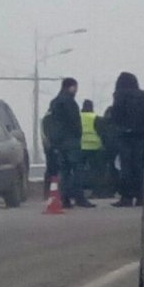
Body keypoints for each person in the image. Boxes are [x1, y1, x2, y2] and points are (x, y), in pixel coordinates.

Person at [44, 77, 92, 208]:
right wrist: (78, 134)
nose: (76, 90)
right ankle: (79, 197)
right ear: (71, 87)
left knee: (64, 171)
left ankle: (64, 199)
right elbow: (74, 121)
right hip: (71, 141)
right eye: (75, 87)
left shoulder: (54, 102)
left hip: (58, 142)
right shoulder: (70, 102)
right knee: (77, 169)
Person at [108, 71, 144, 207]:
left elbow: (115, 115)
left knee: (126, 167)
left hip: (125, 136)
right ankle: (141, 197)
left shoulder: (119, 95)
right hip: (141, 135)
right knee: (140, 166)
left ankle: (126, 197)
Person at [79, 98, 105, 201]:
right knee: (96, 171)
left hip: (81, 147)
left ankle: (79, 193)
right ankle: (96, 192)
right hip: (95, 147)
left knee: (79, 171)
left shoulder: (78, 117)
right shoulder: (96, 118)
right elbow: (102, 132)